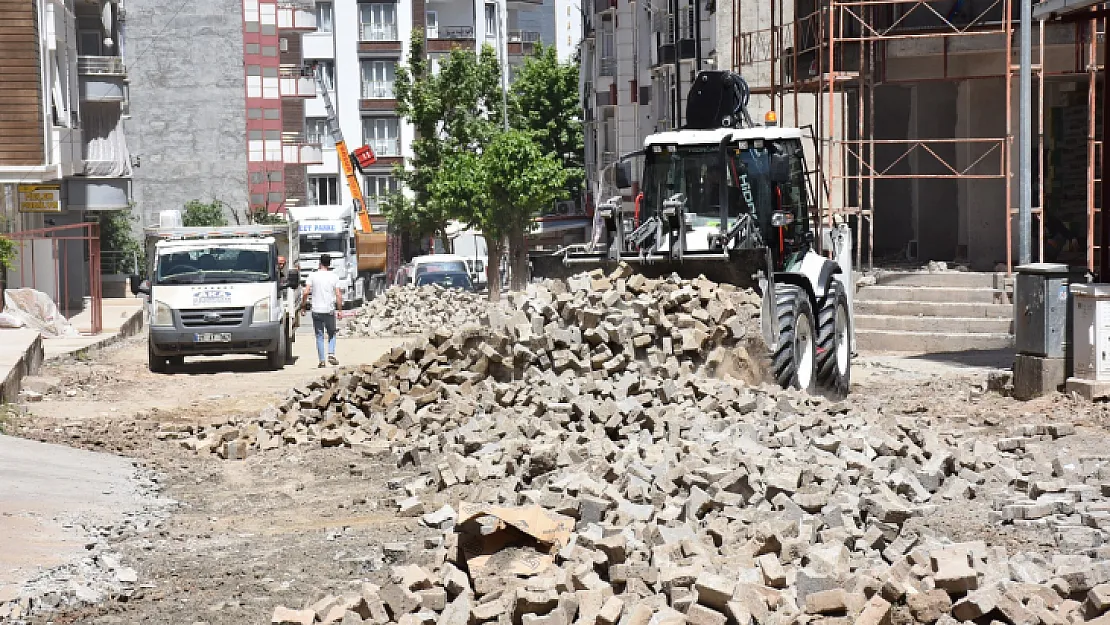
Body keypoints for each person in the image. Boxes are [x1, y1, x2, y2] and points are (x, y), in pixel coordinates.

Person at [302, 253, 343, 368]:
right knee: (332, 333)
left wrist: (303, 306)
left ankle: (322, 360)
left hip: (316, 310)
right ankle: (331, 353)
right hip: (329, 309)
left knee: (319, 335)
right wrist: (340, 310)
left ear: (319, 263)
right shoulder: (334, 276)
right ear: (330, 264)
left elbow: (306, 292)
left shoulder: (312, 276)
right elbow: (338, 295)